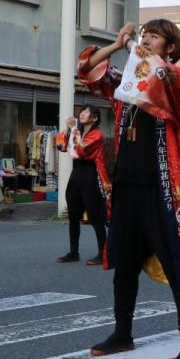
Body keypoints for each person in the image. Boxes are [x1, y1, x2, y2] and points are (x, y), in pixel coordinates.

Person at [77, 20, 180, 359]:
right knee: (125, 265)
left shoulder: (176, 76)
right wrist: (117, 44)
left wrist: (139, 52)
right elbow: (86, 70)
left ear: (171, 47)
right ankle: (122, 333)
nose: (145, 39)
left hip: (163, 189)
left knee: (179, 266)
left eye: (155, 36)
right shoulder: (126, 80)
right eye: (144, 34)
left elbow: (159, 77)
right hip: (127, 187)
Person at [55, 105, 110, 265]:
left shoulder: (97, 134)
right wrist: (67, 128)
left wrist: (73, 130)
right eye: (83, 111)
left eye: (88, 112)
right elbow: (61, 146)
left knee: (95, 217)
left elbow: (81, 150)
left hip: (90, 174)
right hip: (76, 174)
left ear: (94, 118)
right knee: (73, 215)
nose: (83, 114)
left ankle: (102, 254)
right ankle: (73, 252)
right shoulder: (77, 131)